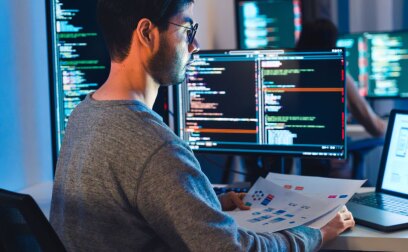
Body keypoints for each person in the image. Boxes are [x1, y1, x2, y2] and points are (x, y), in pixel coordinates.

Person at [49, 0, 354, 251]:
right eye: (187, 29)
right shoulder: (154, 146)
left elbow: (128, 217)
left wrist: (209, 204)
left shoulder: (84, 114)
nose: (195, 45)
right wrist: (318, 234)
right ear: (147, 33)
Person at [294, 19, 386, 178]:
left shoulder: (286, 70)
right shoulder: (336, 71)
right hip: (329, 171)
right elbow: (375, 129)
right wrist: (386, 122)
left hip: (293, 167)